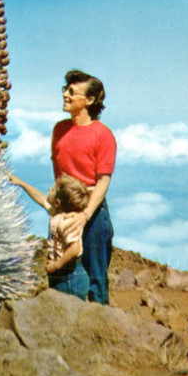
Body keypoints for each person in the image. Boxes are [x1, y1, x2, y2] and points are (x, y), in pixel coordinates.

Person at [52, 69, 117, 305]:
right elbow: (59, 174)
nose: (65, 95)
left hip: (93, 210)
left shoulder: (103, 134)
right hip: (65, 210)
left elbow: (103, 180)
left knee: (96, 278)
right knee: (64, 275)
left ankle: (102, 333)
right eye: (64, 90)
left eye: (72, 92)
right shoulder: (59, 130)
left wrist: (86, 214)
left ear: (89, 100)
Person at [7, 171, 90, 300]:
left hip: (70, 277)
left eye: (51, 190)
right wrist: (21, 183)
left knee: (68, 313)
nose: (48, 190)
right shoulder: (55, 213)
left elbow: (74, 249)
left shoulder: (67, 222)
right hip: (60, 275)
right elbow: (40, 197)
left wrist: (56, 265)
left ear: (57, 203)